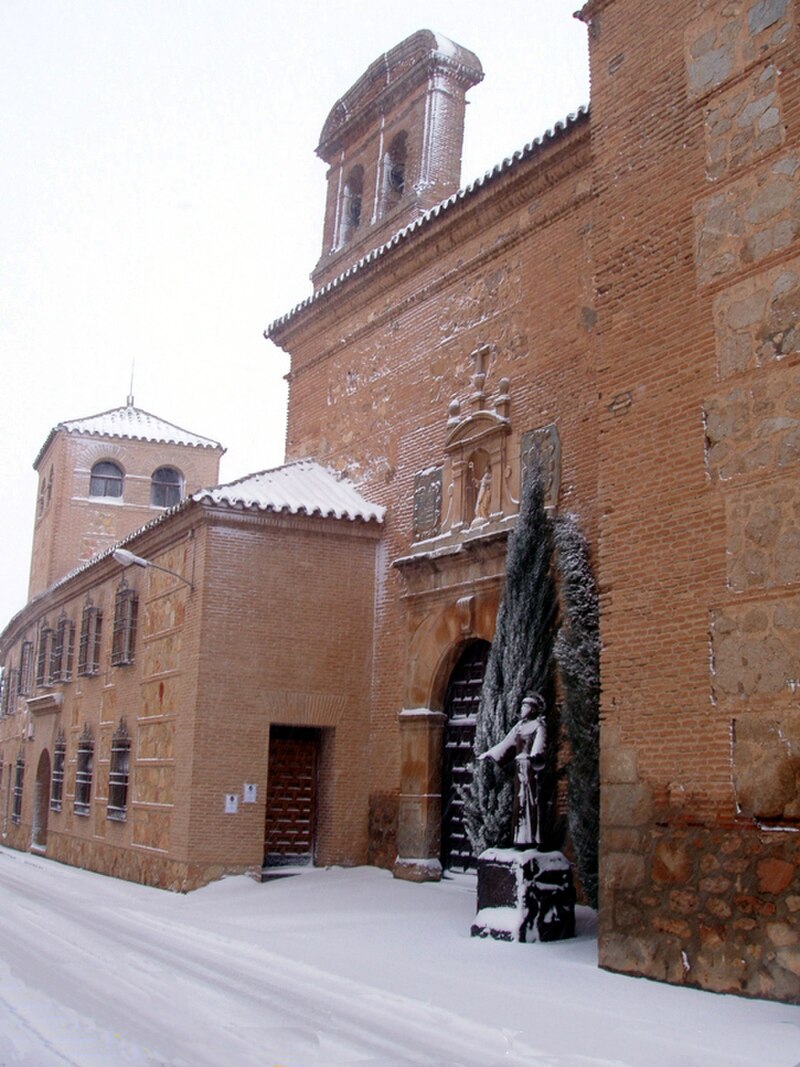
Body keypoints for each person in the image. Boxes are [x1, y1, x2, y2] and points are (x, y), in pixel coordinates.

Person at [479, 693, 547, 848]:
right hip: (519, 768)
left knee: (531, 800)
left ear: (533, 709)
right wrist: (490, 753)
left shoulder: (538, 725)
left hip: (531, 768)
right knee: (520, 801)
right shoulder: (519, 726)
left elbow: (539, 744)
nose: (522, 709)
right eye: (522, 706)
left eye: (526, 706)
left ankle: (532, 838)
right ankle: (520, 838)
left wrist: (535, 755)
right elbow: (507, 744)